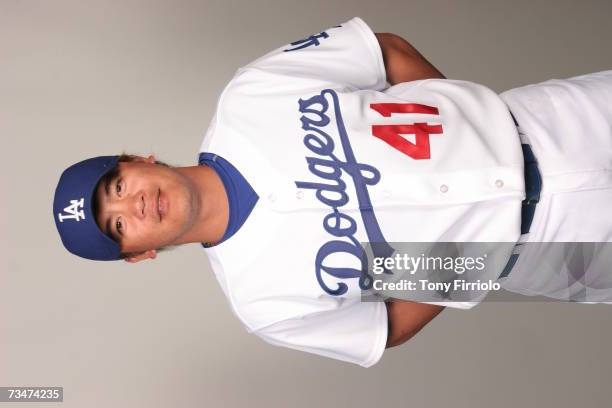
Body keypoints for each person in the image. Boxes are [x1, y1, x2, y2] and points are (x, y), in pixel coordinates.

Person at [53, 17, 612, 367]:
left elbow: (381, 50)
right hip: (552, 255)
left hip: (550, 122)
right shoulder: (262, 305)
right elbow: (384, 331)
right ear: (140, 253)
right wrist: (468, 262)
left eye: (119, 186)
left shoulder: (250, 95)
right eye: (119, 225)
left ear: (137, 160)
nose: (134, 205)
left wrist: (462, 117)